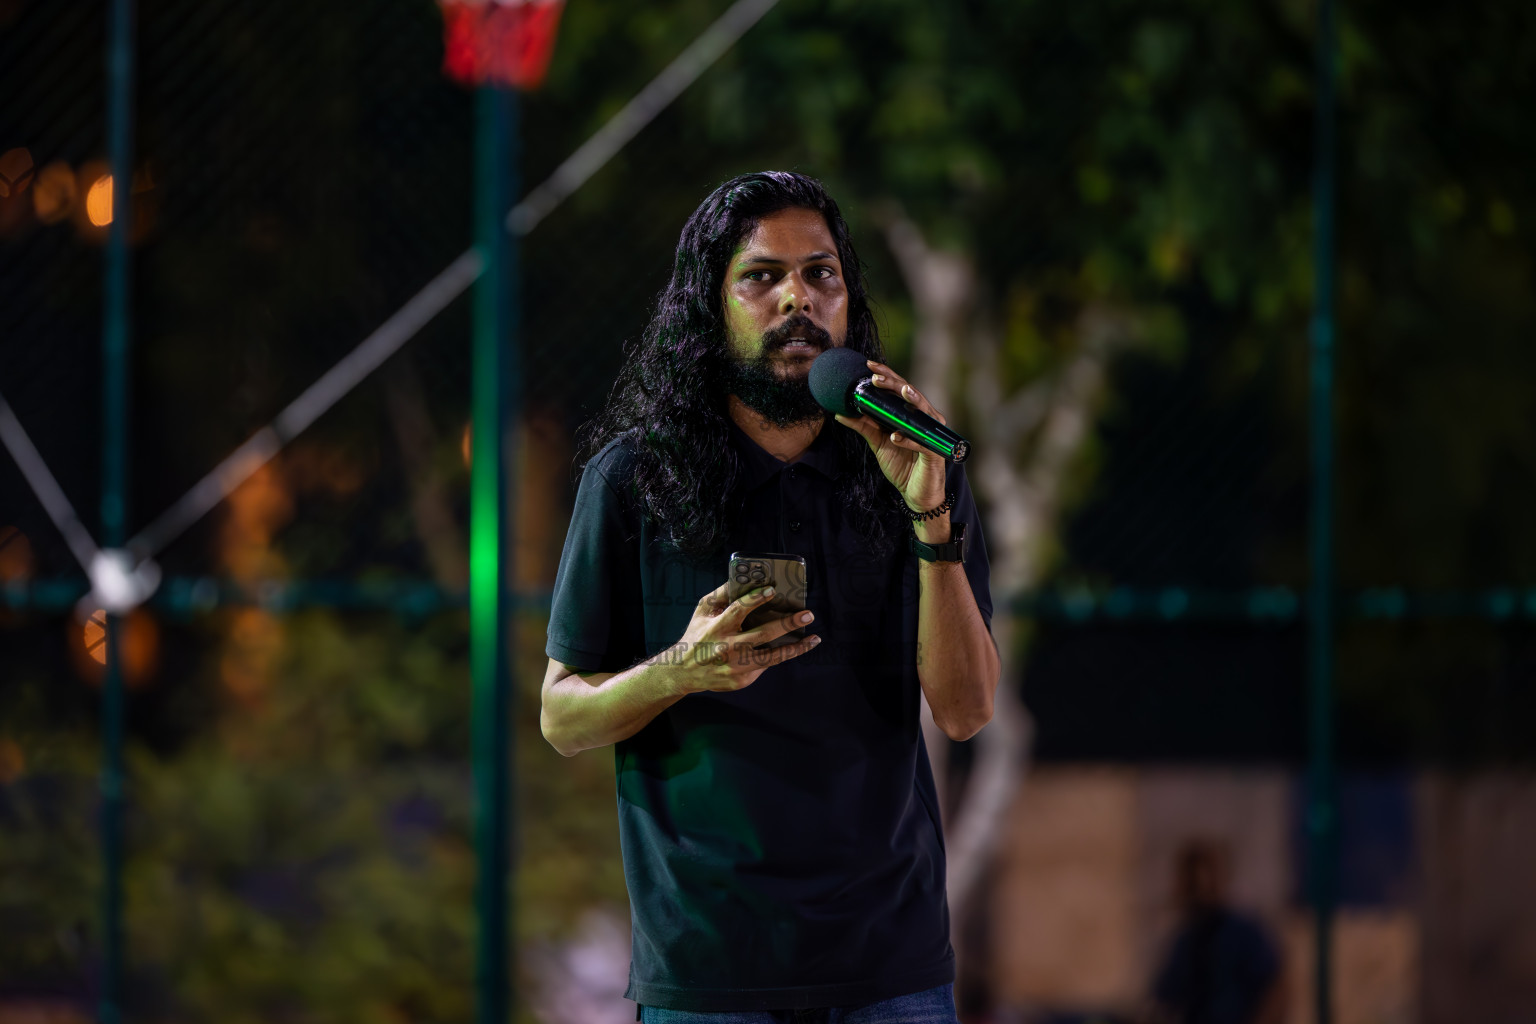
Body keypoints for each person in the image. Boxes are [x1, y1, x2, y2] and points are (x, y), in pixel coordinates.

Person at [540, 171, 1000, 1024]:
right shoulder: (636, 479)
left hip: (889, 972)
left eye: (821, 273)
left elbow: (968, 711)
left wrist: (929, 513)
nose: (798, 297)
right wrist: (683, 669)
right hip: (712, 975)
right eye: (761, 276)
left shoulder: (912, 469)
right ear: (708, 309)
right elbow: (562, 718)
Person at [1146, 840, 1286, 1024]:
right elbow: (1165, 996)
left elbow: (1275, 987)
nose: (1200, 888)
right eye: (1191, 880)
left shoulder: (1244, 932)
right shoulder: (1185, 939)